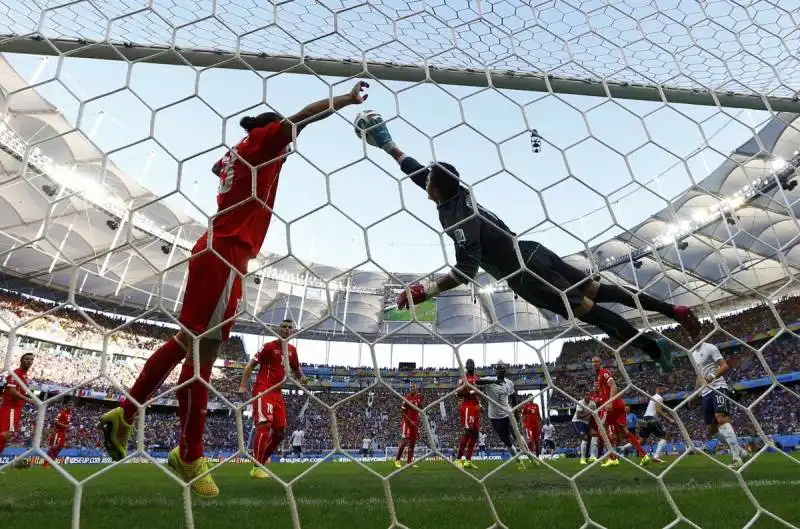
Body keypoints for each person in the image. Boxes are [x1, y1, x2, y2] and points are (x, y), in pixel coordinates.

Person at [99, 80, 370, 497]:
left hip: (216, 250)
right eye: (283, 138)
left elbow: (218, 168)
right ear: (270, 131)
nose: (288, 146)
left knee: (197, 352)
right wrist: (346, 100)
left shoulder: (238, 153)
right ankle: (154, 430)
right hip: (226, 253)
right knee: (195, 346)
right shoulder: (263, 142)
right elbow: (303, 118)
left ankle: (172, 442)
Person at [357, 117, 702, 372]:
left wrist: (425, 291)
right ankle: (675, 311)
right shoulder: (457, 193)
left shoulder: (457, 218)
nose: (424, 182)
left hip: (524, 275)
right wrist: (387, 143)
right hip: (533, 249)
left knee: (590, 313)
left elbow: (467, 270)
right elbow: (418, 170)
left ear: (436, 189)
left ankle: (654, 349)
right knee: (599, 291)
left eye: (428, 181)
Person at [239, 319, 306, 479]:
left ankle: (261, 462)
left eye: (289, 327)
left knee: (280, 432)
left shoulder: (292, 350)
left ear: (293, 331)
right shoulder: (268, 347)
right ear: (278, 329)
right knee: (264, 425)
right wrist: (243, 385)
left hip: (277, 393)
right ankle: (256, 466)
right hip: (263, 389)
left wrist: (302, 378)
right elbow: (250, 366)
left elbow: (297, 369)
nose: (286, 329)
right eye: (283, 326)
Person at [692, 342, 748, 468]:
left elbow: (724, 366)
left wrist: (711, 377)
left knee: (721, 418)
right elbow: (699, 375)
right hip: (705, 393)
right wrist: (696, 392)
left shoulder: (710, 347)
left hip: (718, 387)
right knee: (712, 429)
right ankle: (740, 451)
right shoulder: (693, 354)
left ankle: (736, 458)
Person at [593, 357, 648, 467]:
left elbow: (614, 385)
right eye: (593, 362)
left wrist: (609, 402)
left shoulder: (604, 373)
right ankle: (644, 455)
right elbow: (604, 392)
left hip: (613, 406)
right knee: (624, 431)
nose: (594, 364)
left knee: (607, 431)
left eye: (597, 362)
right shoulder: (599, 376)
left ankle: (612, 458)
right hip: (619, 405)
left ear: (601, 363)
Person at [475, 362, 525, 470]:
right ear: (496, 371)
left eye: (502, 369)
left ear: (505, 371)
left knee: (516, 435)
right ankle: (518, 461)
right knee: (507, 441)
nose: (500, 371)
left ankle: (530, 456)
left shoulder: (509, 383)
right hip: (494, 417)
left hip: (507, 413)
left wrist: (516, 412)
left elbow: (513, 396)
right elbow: (476, 381)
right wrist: (493, 381)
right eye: (498, 369)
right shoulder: (490, 380)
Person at [0, 353, 35, 469]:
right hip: (10, 408)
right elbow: (11, 390)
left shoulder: (24, 375)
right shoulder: (16, 373)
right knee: (6, 434)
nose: (29, 361)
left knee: (7, 435)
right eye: (26, 359)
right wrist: (28, 399)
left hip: (16, 409)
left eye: (31, 359)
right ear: (21, 360)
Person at [455, 358, 480, 469]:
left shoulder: (476, 377)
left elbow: (476, 393)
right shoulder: (463, 378)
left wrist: (480, 404)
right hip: (467, 407)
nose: (470, 365)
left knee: (475, 434)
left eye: (472, 363)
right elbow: (458, 393)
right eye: (468, 364)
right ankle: (458, 459)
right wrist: (471, 391)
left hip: (475, 407)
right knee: (468, 432)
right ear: (466, 366)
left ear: (474, 365)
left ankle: (468, 461)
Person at [638, 384, 673, 463]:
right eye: (661, 389)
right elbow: (658, 410)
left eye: (663, 390)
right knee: (665, 437)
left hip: (644, 419)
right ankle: (656, 456)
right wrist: (669, 419)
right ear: (657, 389)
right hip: (651, 419)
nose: (663, 391)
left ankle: (624, 449)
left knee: (641, 441)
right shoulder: (659, 398)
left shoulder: (653, 397)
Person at [395, 381, 423, 468]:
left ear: (416, 389)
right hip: (407, 423)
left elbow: (419, 406)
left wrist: (422, 408)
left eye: (413, 387)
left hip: (415, 423)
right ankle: (397, 460)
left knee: (412, 443)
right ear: (409, 389)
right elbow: (402, 412)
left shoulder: (418, 397)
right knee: (405, 442)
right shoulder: (407, 398)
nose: (412, 389)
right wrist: (409, 421)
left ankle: (409, 462)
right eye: (411, 387)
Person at [44, 397, 74, 469]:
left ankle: (52, 461)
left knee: (60, 447)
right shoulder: (62, 412)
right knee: (54, 447)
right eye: (69, 404)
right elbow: (56, 422)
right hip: (57, 432)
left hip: (63, 432)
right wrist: (65, 425)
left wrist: (68, 427)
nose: (71, 405)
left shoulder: (70, 412)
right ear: (66, 405)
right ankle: (45, 463)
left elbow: (66, 422)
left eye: (72, 404)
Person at [572, 390, 596, 464]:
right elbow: (579, 416)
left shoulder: (593, 404)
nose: (587, 396)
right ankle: (582, 459)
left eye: (589, 395)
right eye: (586, 395)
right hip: (577, 422)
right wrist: (589, 412)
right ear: (583, 396)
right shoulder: (580, 403)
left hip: (587, 423)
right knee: (585, 437)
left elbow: (594, 415)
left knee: (591, 438)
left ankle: (589, 456)